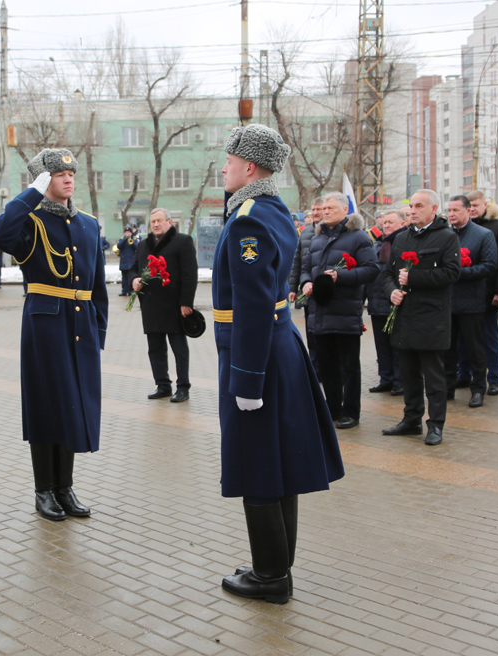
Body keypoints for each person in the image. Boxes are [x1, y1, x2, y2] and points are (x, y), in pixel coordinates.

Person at [214, 123, 344, 605]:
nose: (223, 168)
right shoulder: (269, 210)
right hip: (275, 345)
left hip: (257, 355)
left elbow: (249, 304)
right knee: (278, 464)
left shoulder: (248, 217)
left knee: (257, 464)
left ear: (249, 167)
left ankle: (271, 577)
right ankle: (275, 564)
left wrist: (246, 379)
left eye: (228, 161)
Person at [0, 147, 108, 521]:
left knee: (72, 407)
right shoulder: (30, 222)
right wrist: (31, 194)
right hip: (45, 328)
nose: (68, 179)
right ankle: (44, 491)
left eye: (70, 174)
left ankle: (64, 487)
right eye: (58, 175)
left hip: (80, 327)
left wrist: (97, 334)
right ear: (44, 181)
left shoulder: (88, 224)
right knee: (45, 408)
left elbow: (98, 286)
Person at [379, 189, 461, 445]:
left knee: (434, 378)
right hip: (404, 317)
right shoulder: (401, 238)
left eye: (418, 206)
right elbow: (387, 275)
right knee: (409, 374)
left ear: (433, 209)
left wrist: (414, 278)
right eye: (410, 206)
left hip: (431, 318)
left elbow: (451, 273)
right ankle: (411, 420)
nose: (412, 210)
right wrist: (391, 291)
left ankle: (435, 424)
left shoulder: (447, 237)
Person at [298, 193, 379, 429]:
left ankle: (351, 412)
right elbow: (305, 267)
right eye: (323, 208)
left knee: (349, 366)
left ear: (345, 210)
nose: (325, 212)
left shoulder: (358, 237)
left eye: (331, 207)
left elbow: (372, 269)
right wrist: (305, 283)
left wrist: (340, 276)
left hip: (345, 311)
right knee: (327, 366)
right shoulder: (317, 238)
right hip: (319, 312)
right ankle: (332, 409)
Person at [130, 209, 198, 403]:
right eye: (153, 222)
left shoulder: (182, 242)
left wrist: (186, 303)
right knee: (155, 349)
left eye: (160, 220)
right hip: (151, 306)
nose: (156, 224)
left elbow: (190, 275)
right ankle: (163, 385)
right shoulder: (144, 244)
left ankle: (183, 387)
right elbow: (134, 268)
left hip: (174, 306)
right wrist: (134, 280)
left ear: (170, 222)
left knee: (179, 349)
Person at [445, 195, 497, 408]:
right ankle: (447, 387)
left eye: (456, 210)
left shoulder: (483, 235)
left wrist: (458, 272)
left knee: (475, 348)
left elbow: (489, 266)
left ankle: (478, 389)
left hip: (471, 301)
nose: (451, 214)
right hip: (447, 302)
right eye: (449, 210)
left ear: (468, 211)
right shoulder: (445, 234)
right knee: (446, 348)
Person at [467, 190, 498, 396]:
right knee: (464, 339)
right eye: (469, 205)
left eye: (476, 205)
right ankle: (464, 374)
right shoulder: (462, 228)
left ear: (486, 205)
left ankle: (494, 378)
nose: (472, 209)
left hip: (488, 293)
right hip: (466, 294)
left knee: (489, 336)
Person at [366, 210, 405, 395]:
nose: (386, 225)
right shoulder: (377, 244)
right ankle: (386, 378)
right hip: (376, 301)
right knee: (381, 345)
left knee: (397, 344)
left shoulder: (404, 242)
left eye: (391, 222)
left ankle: (400, 380)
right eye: (385, 222)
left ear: (402, 224)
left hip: (395, 301)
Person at [288, 198, 324, 377]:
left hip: (326, 293)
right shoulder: (306, 232)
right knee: (311, 332)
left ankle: (328, 370)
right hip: (307, 291)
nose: (315, 213)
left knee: (325, 334)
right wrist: (293, 287)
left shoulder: (333, 232)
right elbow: (298, 262)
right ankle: (314, 368)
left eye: (319, 209)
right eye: (313, 210)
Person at [115, 224, 141, 296]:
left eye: (129, 232)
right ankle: (124, 290)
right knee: (124, 278)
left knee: (131, 276)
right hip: (124, 261)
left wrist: (131, 240)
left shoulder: (134, 239)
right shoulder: (121, 239)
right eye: (126, 232)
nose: (127, 233)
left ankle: (130, 290)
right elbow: (119, 246)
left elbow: (136, 247)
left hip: (131, 261)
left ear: (131, 233)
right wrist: (124, 239)